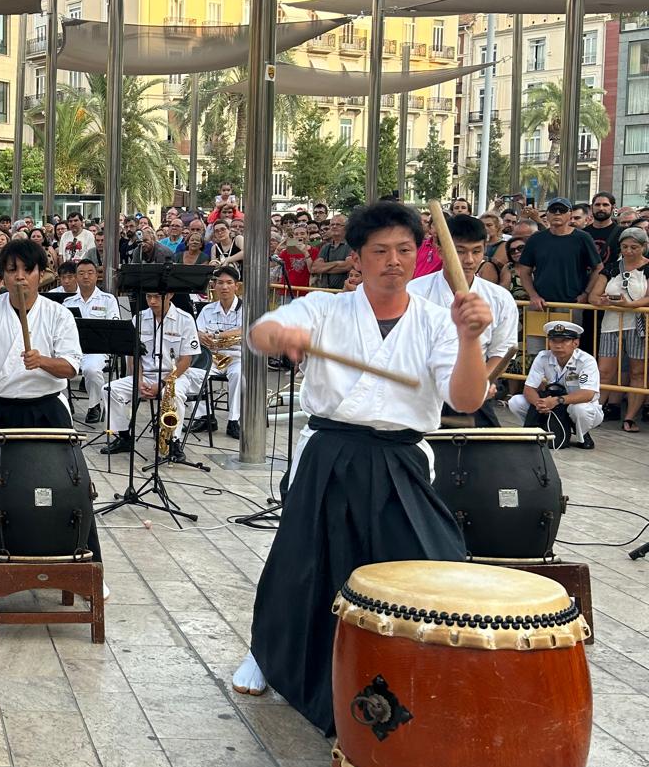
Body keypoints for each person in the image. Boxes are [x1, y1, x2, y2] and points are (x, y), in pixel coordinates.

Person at [230, 201, 494, 733]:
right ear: (358, 258)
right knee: (304, 563)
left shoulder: (438, 321)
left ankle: (416, 672)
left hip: (401, 457)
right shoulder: (326, 309)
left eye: (403, 249)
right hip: (332, 451)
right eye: (380, 251)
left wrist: (470, 340)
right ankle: (270, 654)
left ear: (418, 255)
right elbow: (262, 330)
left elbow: (465, 401)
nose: (393, 260)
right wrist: (281, 336)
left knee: (427, 562)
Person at [0, 239, 104, 577]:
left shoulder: (58, 314)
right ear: (3, 275)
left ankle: (86, 565)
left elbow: (71, 366)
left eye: (27, 270)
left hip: (47, 410)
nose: (20, 278)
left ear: (40, 274)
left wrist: (43, 361)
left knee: (71, 488)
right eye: (12, 270)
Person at [405, 214, 519, 428]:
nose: (469, 260)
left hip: (472, 388)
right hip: (424, 390)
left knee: (487, 453)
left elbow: (501, 351)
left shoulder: (499, 298)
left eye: (476, 251)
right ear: (441, 250)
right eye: (460, 251)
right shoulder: (414, 292)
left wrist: (480, 383)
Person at [103, 288, 203, 455]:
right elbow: (134, 356)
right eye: (149, 296)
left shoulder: (184, 319)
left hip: (174, 376)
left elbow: (186, 360)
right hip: (146, 375)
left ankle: (173, 442)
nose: (152, 301)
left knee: (173, 394)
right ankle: (123, 436)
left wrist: (164, 383)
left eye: (157, 297)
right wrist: (139, 380)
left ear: (170, 294)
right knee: (109, 390)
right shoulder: (139, 318)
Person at [587, 225, 649, 429]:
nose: (629, 251)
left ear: (643, 247)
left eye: (634, 247)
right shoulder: (611, 268)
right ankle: (593, 413)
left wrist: (629, 305)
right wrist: (603, 301)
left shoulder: (647, 268)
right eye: (625, 247)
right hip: (611, 325)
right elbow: (593, 296)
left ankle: (630, 417)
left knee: (637, 372)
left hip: (638, 326)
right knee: (604, 371)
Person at [507, 321, 604, 448]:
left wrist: (558, 400)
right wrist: (540, 404)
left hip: (576, 405)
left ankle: (583, 435)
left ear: (576, 343)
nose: (558, 345)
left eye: (564, 341)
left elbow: (588, 394)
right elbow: (529, 388)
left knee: (580, 409)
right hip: (552, 404)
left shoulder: (586, 361)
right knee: (515, 402)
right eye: (554, 341)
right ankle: (538, 430)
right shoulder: (543, 357)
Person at [65, 258, 126, 424]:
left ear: (96, 276)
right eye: (81, 273)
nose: (86, 277)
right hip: (72, 350)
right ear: (76, 277)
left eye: (90, 273)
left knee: (92, 369)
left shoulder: (108, 300)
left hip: (98, 350)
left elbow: (114, 325)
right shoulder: (68, 302)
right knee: (55, 368)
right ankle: (64, 405)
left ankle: (94, 406)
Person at [516, 198, 600, 314]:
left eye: (562, 210)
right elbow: (524, 271)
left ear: (570, 213)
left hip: (572, 304)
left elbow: (598, 268)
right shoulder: (536, 239)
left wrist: (586, 294)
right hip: (541, 305)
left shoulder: (583, 238)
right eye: (553, 210)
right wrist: (533, 296)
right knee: (536, 333)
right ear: (547, 214)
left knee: (571, 333)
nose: (557, 213)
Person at [193, 266, 245, 439]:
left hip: (236, 357)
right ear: (214, 286)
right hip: (213, 357)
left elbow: (245, 331)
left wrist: (217, 335)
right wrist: (200, 335)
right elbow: (197, 331)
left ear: (236, 286)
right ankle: (204, 417)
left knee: (238, 374)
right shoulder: (208, 309)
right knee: (195, 374)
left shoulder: (247, 308)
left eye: (229, 283)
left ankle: (233, 420)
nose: (224, 287)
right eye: (220, 283)